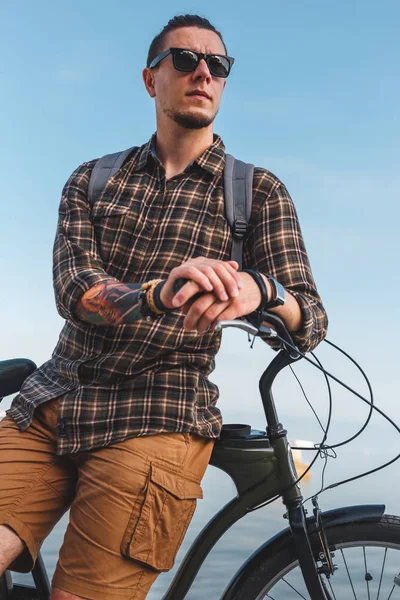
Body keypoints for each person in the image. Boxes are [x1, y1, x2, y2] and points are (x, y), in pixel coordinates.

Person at [0, 14, 328, 600]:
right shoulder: (94, 179)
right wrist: (159, 292)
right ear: (151, 79)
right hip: (53, 402)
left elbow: (311, 314)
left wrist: (262, 291)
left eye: (218, 65)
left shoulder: (257, 192)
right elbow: (75, 291)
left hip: (159, 413)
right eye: (185, 59)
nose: (204, 71)